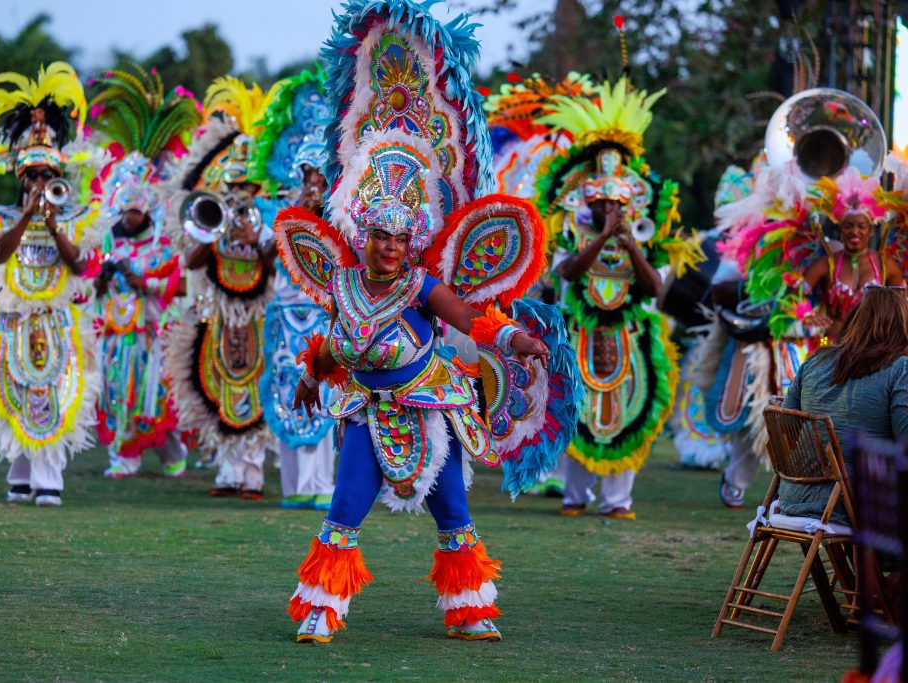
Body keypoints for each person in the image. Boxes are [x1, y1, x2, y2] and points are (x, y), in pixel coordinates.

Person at [277, 0, 579, 645]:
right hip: (365, 404)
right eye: (378, 236)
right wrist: (314, 377)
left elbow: (474, 321)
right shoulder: (343, 280)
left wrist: (520, 341)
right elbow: (337, 341)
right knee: (345, 506)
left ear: (412, 238)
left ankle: (470, 609)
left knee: (453, 510)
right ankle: (323, 608)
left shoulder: (423, 285)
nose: (388, 247)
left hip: (430, 404)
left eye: (397, 238)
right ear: (363, 235)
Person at [536, 77, 698, 520]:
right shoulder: (571, 236)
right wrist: (602, 236)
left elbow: (653, 287)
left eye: (617, 203)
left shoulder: (649, 242)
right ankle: (574, 495)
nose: (610, 208)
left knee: (632, 413)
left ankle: (617, 500)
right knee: (575, 411)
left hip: (631, 337)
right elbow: (568, 272)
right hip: (580, 334)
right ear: (590, 203)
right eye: (602, 202)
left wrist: (626, 242)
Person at [0, 63, 103, 506]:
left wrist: (55, 226)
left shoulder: (72, 218)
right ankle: (21, 475)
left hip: (57, 318)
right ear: (22, 177)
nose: (41, 183)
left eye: (47, 176)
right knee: (14, 392)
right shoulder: (2, 217)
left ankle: (49, 480)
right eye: (34, 176)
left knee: (57, 392)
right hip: (14, 318)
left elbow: (79, 266)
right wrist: (26, 216)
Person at [163, 77, 278, 499]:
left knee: (255, 381)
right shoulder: (213, 216)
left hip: (256, 311)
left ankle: (253, 473)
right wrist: (213, 234)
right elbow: (192, 261)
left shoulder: (267, 218)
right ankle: (228, 472)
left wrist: (257, 240)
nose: (238, 194)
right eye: (231, 187)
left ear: (256, 188)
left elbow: (272, 267)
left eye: (245, 187)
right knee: (217, 381)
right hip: (218, 310)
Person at [87, 67, 201, 479]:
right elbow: (93, 284)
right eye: (124, 210)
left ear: (148, 209)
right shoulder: (109, 242)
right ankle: (123, 458)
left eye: (136, 210)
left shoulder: (163, 244)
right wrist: (103, 280)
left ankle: (172, 457)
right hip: (118, 338)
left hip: (153, 336)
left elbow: (183, 282)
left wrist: (146, 283)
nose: (129, 216)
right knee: (118, 396)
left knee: (156, 399)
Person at [250, 67, 336, 510]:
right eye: (308, 175)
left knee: (320, 392)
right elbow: (264, 261)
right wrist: (294, 220)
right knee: (287, 391)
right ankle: (294, 488)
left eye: (320, 176)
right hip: (285, 316)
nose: (313, 183)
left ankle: (321, 482)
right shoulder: (282, 213)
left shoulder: (340, 220)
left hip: (321, 317)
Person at [779, 286, 908, 523]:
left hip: (793, 496)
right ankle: (880, 560)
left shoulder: (816, 360)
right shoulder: (900, 369)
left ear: (857, 319)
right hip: (854, 502)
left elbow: (784, 427)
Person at [800, 170, 905, 341]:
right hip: (834, 347)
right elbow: (793, 295)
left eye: (861, 226)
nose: (854, 232)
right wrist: (806, 314)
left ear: (870, 230)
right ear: (841, 229)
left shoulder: (886, 264)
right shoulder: (827, 264)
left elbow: (903, 305)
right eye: (848, 226)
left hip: (874, 350)